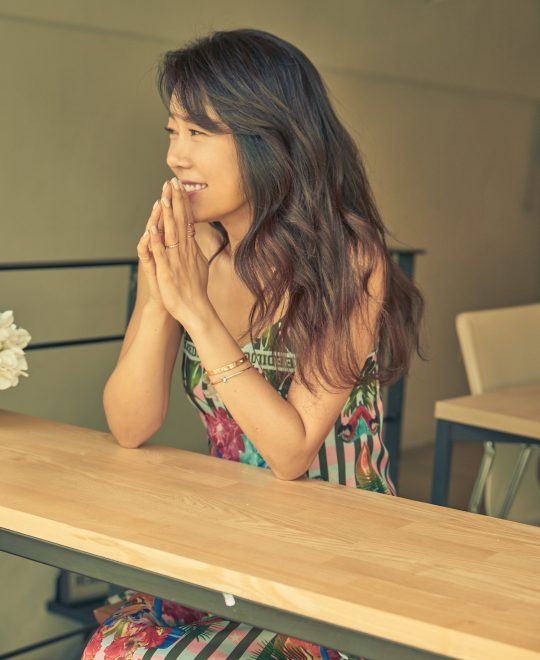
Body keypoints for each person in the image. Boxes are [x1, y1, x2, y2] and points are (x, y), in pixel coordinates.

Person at [82, 27, 425, 660]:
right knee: (116, 645)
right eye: (172, 132)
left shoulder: (348, 260)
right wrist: (162, 293)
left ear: (269, 137)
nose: (175, 157)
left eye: (200, 133)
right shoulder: (192, 260)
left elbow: (292, 452)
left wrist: (196, 310)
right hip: (237, 542)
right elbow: (130, 425)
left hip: (342, 557)